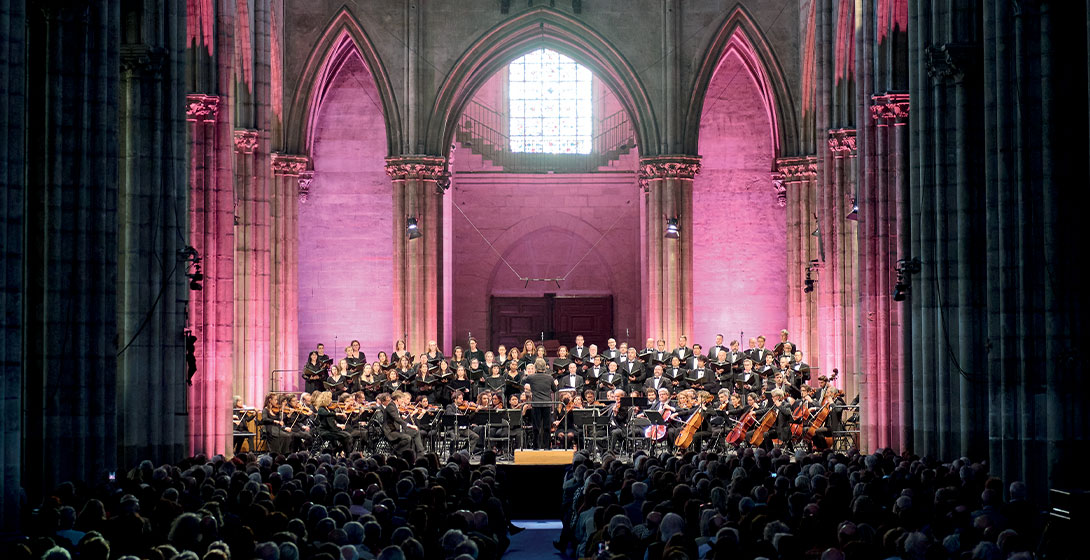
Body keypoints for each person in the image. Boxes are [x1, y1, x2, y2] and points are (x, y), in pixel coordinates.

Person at [525, 362, 556, 450]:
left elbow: (523, 381)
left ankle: (536, 447)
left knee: (536, 427)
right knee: (547, 427)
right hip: (547, 404)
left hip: (536, 404)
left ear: (535, 368)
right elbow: (555, 389)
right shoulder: (549, 377)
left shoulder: (531, 377)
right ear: (545, 368)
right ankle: (547, 447)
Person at [383, 391, 425, 456]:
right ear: (397, 399)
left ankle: (419, 454)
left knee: (415, 432)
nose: (403, 401)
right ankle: (396, 452)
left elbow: (396, 416)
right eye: (402, 399)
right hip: (391, 432)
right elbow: (397, 419)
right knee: (407, 437)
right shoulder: (391, 406)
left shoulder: (394, 406)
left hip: (397, 429)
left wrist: (402, 416)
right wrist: (410, 425)